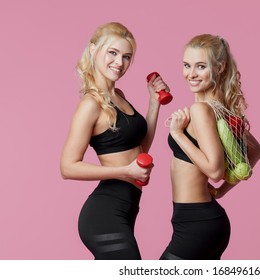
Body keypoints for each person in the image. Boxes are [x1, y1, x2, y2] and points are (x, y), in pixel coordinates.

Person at [60, 22, 169, 260]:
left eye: (127, 56)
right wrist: (125, 171)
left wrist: (153, 103)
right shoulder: (91, 104)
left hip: (126, 209)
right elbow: (67, 167)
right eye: (113, 52)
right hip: (104, 215)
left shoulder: (118, 96)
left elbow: (140, 148)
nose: (120, 63)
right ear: (93, 50)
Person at [160, 34, 260, 260]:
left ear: (219, 67)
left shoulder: (202, 110)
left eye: (200, 66)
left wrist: (178, 134)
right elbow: (256, 151)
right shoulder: (220, 110)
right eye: (187, 65)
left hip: (196, 223)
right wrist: (221, 192)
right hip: (200, 221)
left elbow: (215, 171)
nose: (191, 74)